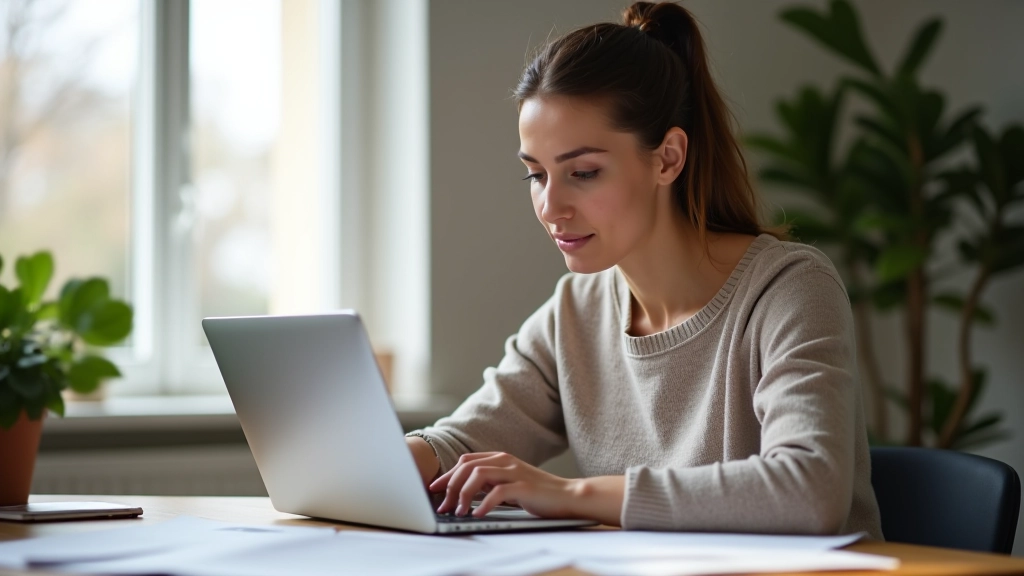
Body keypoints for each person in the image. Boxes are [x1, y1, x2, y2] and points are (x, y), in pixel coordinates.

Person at [405, 1, 882, 537]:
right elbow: (461, 442)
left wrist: (569, 495)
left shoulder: (788, 290)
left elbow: (810, 490)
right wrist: (381, 460)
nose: (551, 207)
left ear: (668, 158)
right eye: (536, 176)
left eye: (584, 172)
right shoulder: (576, 312)